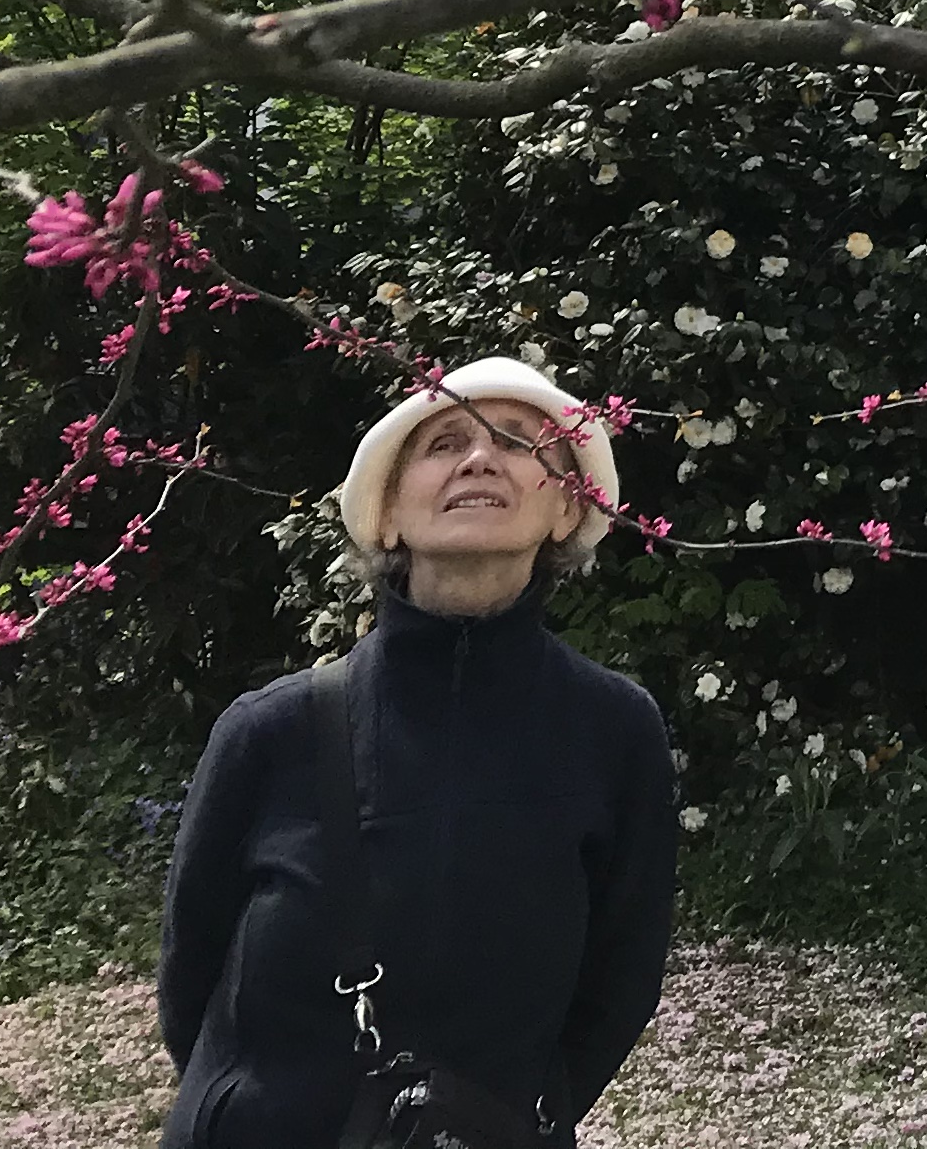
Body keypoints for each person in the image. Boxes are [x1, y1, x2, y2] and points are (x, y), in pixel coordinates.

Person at [157, 358, 679, 1147]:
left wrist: (520, 1116)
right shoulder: (270, 731)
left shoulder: (614, 731)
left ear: (569, 508)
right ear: (388, 515)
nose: (480, 459)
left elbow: (622, 980)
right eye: (444, 443)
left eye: (519, 442)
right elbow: (189, 980)